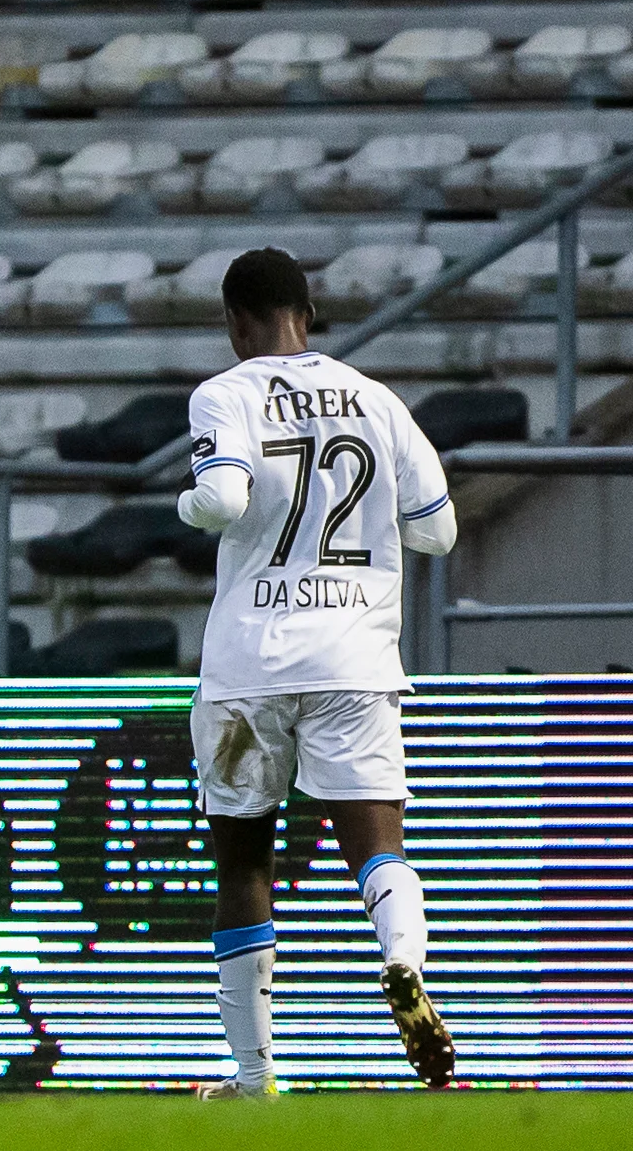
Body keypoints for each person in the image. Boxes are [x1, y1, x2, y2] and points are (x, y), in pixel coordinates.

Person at [176, 247, 459, 1099]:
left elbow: (222, 499)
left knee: (243, 864)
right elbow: (438, 531)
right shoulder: (377, 400)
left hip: (248, 665)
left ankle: (256, 1077)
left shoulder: (225, 393)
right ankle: (404, 962)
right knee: (378, 848)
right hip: (355, 657)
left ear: (234, 324)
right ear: (310, 312)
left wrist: (189, 506)